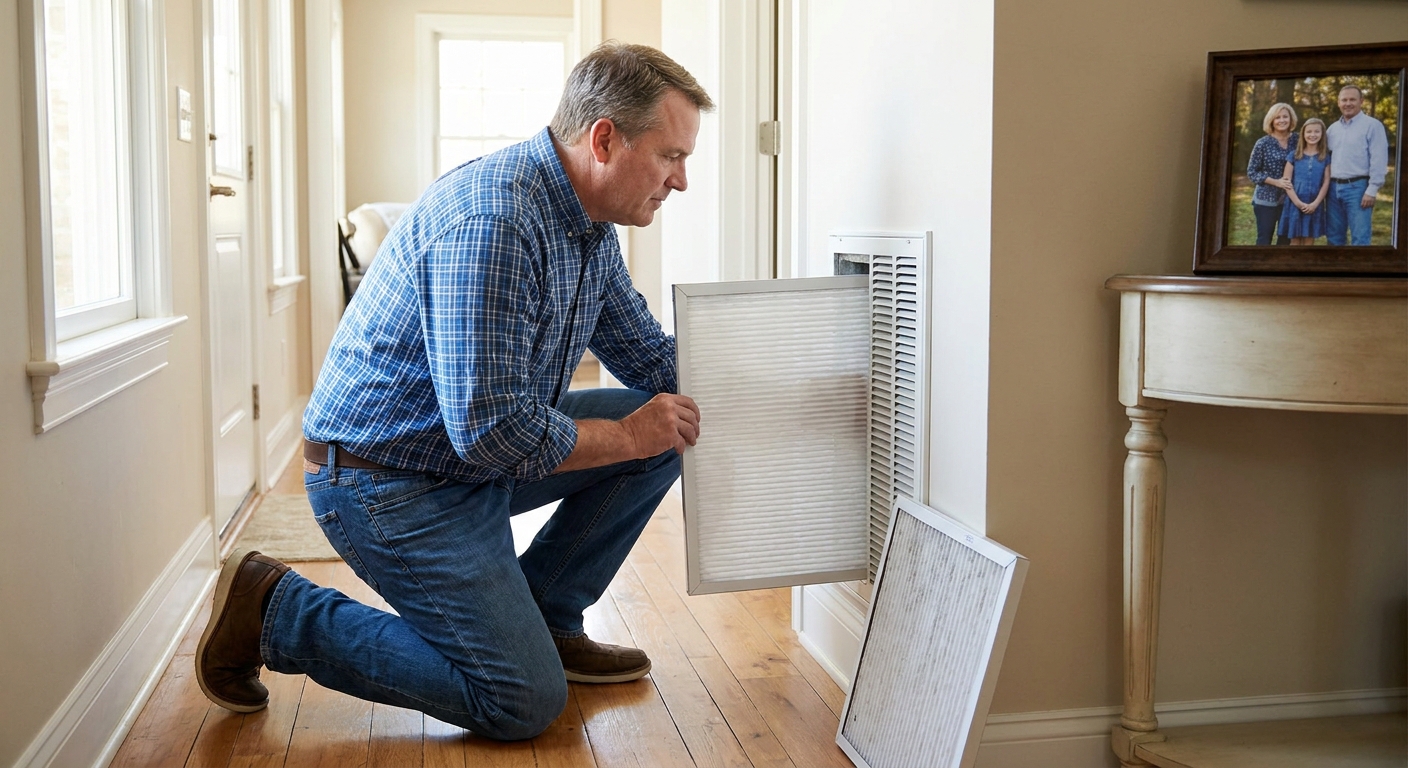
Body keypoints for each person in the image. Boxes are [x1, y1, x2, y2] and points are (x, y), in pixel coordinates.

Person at [193, 43, 713, 740]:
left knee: (669, 427)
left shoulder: (590, 228)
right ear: (604, 139)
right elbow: (493, 432)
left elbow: (648, 357)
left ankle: (547, 616)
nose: (681, 180)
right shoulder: (495, 222)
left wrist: (780, 373)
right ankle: (274, 610)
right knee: (521, 700)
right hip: (386, 484)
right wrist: (624, 435)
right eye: (671, 156)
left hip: (462, 459)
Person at [1324, 84, 1390, 246]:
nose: (1348, 103)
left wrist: (1372, 189)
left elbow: (1379, 159)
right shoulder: (1333, 129)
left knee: (1360, 238)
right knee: (1334, 238)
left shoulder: (1372, 126)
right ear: (1338, 103)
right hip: (1332, 189)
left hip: (1358, 189)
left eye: (1352, 99)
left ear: (1361, 101)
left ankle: (1359, 271)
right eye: (1344, 100)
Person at [1245, 102, 1298, 245]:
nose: (1282, 120)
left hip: (1290, 199)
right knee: (1264, 239)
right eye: (1277, 117)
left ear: (1291, 119)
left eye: (1285, 117)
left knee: (1285, 240)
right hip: (1265, 199)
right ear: (1271, 121)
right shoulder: (1262, 143)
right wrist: (1276, 182)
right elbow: (1252, 172)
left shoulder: (1299, 140)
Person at [1278, 117, 1332, 246]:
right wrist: (1298, 203)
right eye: (1309, 132)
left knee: (1309, 239)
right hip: (1294, 203)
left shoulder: (1325, 157)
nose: (1312, 135)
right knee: (1295, 239)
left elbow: (1326, 182)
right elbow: (1287, 182)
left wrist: (1315, 204)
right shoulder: (1294, 155)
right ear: (1303, 134)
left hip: (1314, 203)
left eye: (1316, 132)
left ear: (1322, 134)